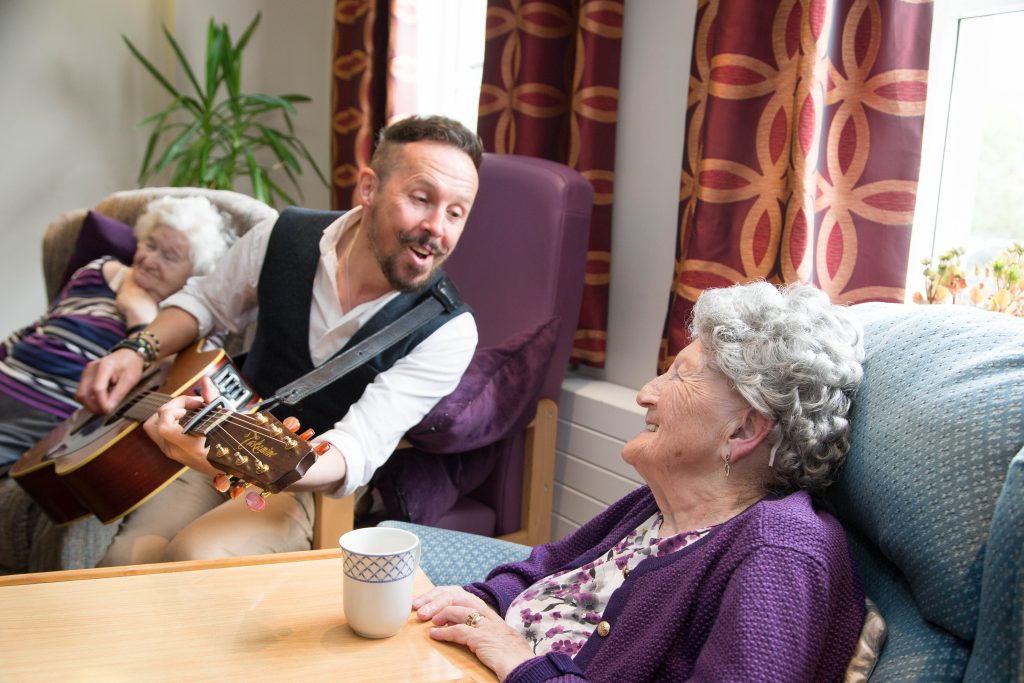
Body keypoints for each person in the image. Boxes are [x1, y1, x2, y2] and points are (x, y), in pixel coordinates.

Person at [76, 115, 483, 566]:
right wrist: (138, 350)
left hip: (309, 480)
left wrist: (249, 460)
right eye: (421, 199)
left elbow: (355, 448)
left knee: (196, 557)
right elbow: (206, 302)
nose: (437, 228)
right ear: (368, 187)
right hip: (221, 426)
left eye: (455, 212)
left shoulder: (448, 330)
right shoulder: (281, 236)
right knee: (128, 559)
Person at [413, 281, 867, 682]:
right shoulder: (660, 507)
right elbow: (546, 565)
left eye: (679, 376)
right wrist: (480, 605)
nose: (646, 394)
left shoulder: (780, 553)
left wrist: (520, 662)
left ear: (744, 430)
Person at [0, 195, 233, 476]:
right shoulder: (100, 271)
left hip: (47, 417)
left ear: (194, 277)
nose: (149, 260)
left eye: (168, 256)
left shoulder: (195, 329)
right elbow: (40, 327)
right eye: (150, 244)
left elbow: (162, 389)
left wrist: (141, 320)